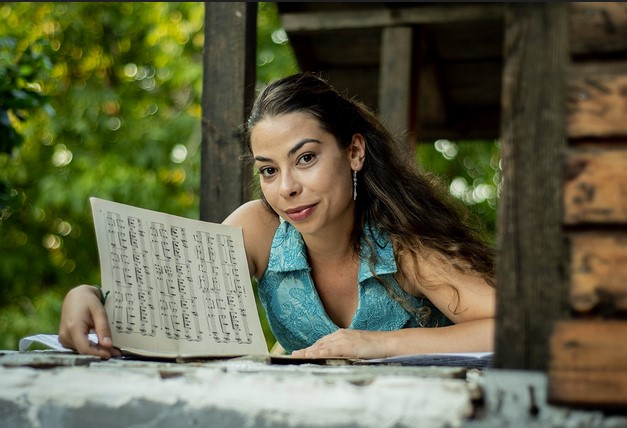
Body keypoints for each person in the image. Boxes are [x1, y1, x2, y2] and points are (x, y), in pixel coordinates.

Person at [58, 72, 496, 360]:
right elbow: (167, 303)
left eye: (305, 158)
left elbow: (513, 330)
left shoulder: (407, 246)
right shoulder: (257, 230)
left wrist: (379, 345)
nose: (285, 187)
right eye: (268, 169)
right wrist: (89, 295)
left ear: (355, 152)